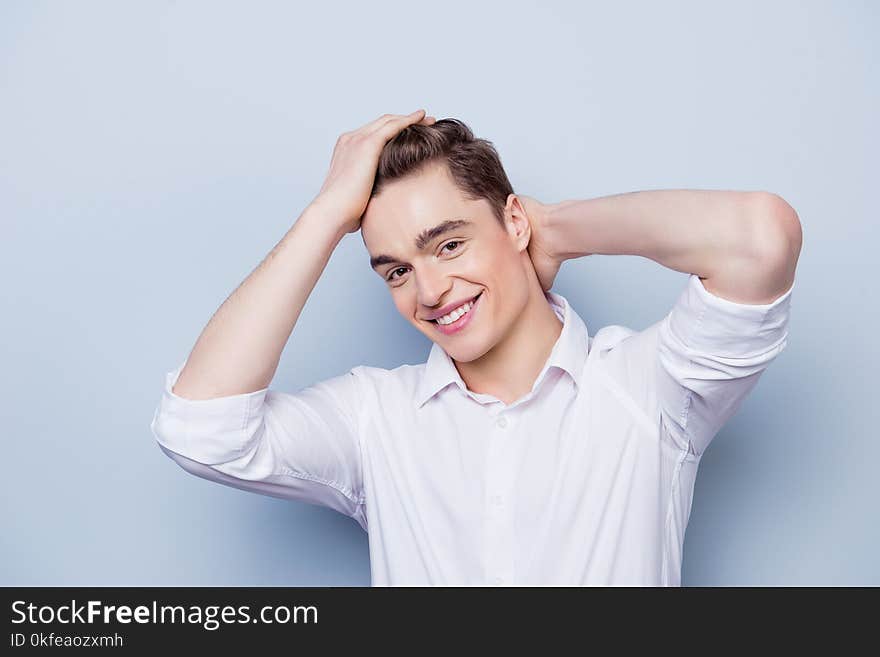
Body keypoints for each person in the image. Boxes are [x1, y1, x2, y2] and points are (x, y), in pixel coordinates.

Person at [150, 109, 802, 586]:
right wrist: (325, 212)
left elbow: (760, 238)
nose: (429, 289)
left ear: (513, 221)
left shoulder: (646, 389)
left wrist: (555, 230)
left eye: (449, 244)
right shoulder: (377, 419)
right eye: (397, 270)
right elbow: (200, 427)